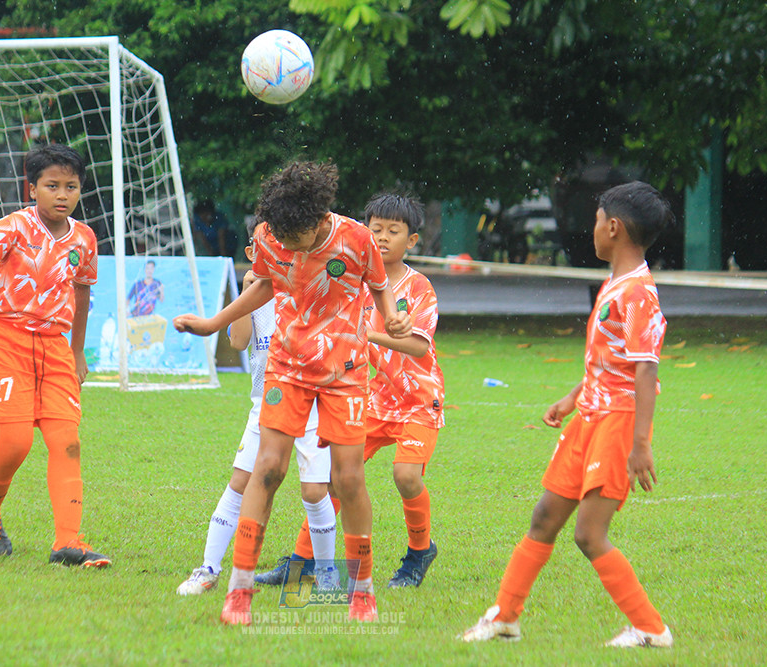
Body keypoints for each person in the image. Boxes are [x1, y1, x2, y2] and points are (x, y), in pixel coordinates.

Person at [173, 160, 411, 626]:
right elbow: (263, 283)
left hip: (344, 371)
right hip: (288, 366)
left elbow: (379, 287)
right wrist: (213, 324)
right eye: (278, 236)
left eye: (294, 238)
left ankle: (360, 590)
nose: (285, 246)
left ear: (321, 222)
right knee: (267, 469)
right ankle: (238, 591)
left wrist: (392, 317)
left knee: (348, 479)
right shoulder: (270, 235)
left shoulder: (355, 239)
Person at [460, 181, 674, 648]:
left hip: (617, 424)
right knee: (544, 518)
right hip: (590, 418)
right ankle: (505, 616)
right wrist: (572, 397)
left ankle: (651, 628)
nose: (593, 227)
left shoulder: (637, 293)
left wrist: (640, 443)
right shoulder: (616, 284)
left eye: (597, 219)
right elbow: (610, 362)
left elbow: (643, 373)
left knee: (589, 534)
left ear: (613, 228)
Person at [0, 144, 110, 568]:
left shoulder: (84, 238)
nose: (62, 194)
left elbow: (81, 291)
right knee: (15, 441)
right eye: (52, 186)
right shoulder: (14, 227)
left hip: (54, 348)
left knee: (67, 442)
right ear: (33, 189)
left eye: (71, 186)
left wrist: (77, 349)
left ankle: (69, 542)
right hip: (5, 340)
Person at [256, 192, 446, 589]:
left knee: (406, 476)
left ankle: (419, 552)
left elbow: (417, 346)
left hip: (417, 400)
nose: (382, 238)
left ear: (412, 241)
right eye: (375, 229)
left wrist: (369, 331)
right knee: (336, 480)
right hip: (369, 397)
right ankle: (303, 561)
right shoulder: (350, 275)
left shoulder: (419, 288)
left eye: (394, 231)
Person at [176, 225, 337, 595]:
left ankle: (327, 578)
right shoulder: (255, 292)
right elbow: (238, 340)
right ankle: (208, 569)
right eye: (266, 247)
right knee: (239, 481)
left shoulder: (307, 284)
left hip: (312, 403)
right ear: (253, 252)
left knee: (314, 492)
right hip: (266, 405)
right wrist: (248, 291)